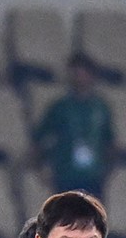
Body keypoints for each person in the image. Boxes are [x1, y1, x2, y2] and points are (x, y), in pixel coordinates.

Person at [32, 54, 114, 197]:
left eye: (83, 73)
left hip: (93, 178)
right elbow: (39, 139)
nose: (79, 77)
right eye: (75, 73)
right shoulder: (59, 107)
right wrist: (40, 170)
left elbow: (109, 142)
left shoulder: (101, 108)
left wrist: (107, 171)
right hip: (65, 177)